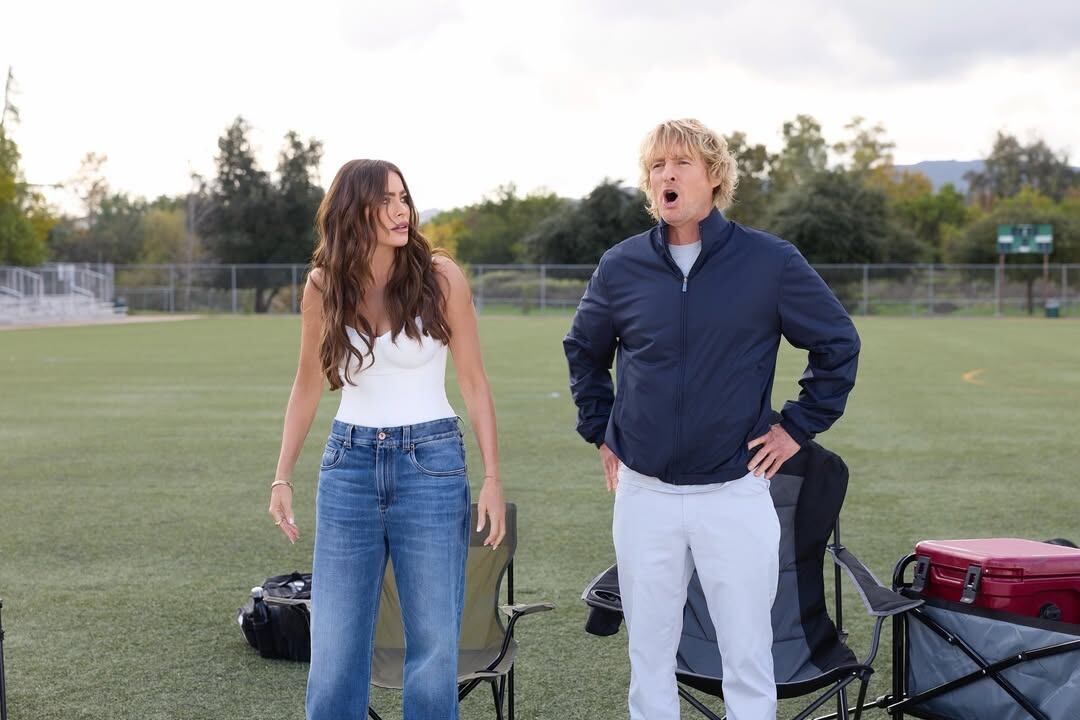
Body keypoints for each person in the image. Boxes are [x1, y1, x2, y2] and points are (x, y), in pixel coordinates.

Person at [564, 119, 860, 720]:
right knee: (650, 654)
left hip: (735, 490)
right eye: (656, 166)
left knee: (747, 654)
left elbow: (837, 343)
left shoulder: (770, 262)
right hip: (643, 492)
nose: (666, 175)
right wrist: (601, 430)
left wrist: (797, 426)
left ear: (714, 176)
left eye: (681, 164)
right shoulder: (621, 266)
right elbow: (584, 351)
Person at [267, 159, 506, 720]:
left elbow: (473, 381)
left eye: (404, 197)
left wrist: (493, 477)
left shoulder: (440, 275)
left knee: (433, 642)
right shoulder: (323, 284)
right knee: (335, 643)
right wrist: (282, 476)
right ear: (355, 211)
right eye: (386, 201)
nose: (402, 211)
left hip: (431, 462)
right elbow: (306, 384)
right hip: (346, 465)